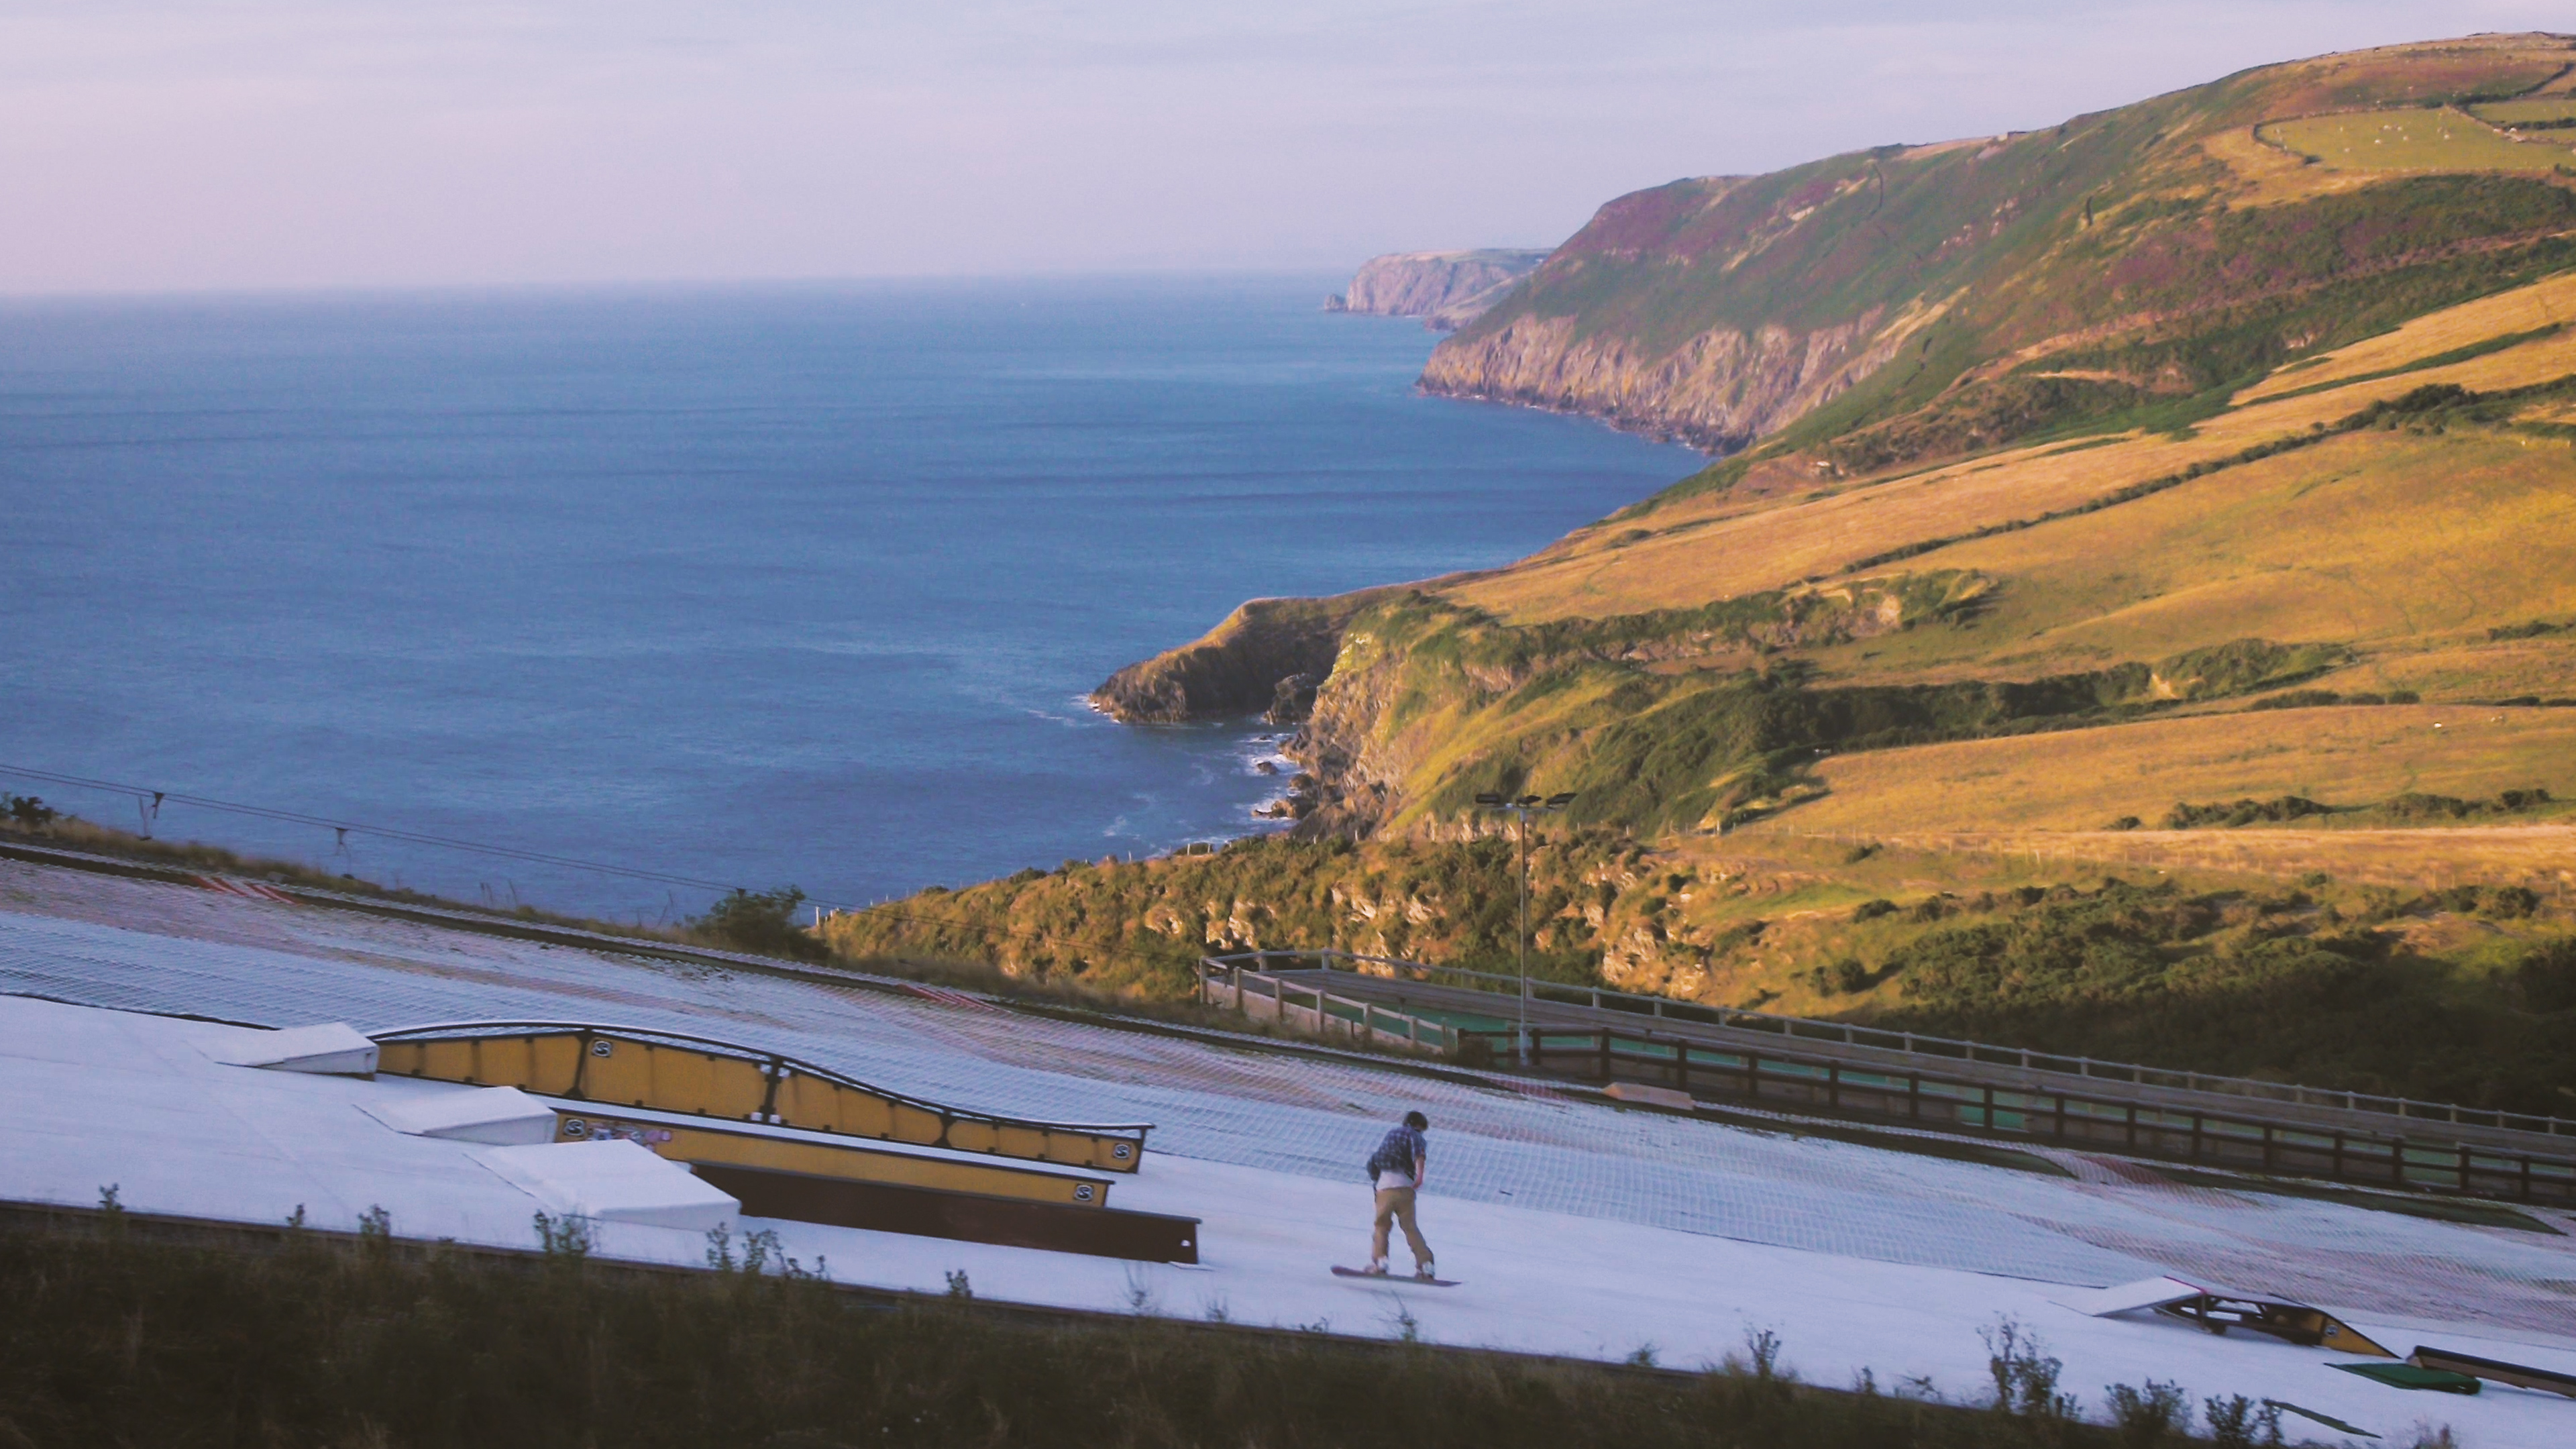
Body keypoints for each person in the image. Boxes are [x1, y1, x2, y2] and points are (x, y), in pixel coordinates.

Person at [1362, 1110, 1434, 1279]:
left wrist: (1376, 1181)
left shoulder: (1391, 1135)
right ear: (1419, 1125)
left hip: (1384, 1188)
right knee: (1410, 1228)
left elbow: (1374, 1161)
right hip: (1406, 1189)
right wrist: (1420, 1177)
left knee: (1382, 1227)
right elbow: (1419, 1154)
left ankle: (1380, 1262)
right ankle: (1426, 1265)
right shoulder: (1416, 1136)